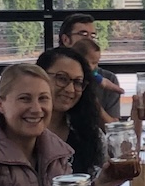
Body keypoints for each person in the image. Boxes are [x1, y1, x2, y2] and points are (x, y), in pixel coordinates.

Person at [36, 43, 106, 177]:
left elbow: (99, 185)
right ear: (40, 75)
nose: (70, 89)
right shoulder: (20, 130)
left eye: (77, 82)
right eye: (62, 78)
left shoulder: (88, 133)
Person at [57, 14, 121, 118]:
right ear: (66, 40)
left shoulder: (109, 78)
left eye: (93, 36)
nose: (89, 40)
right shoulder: (50, 74)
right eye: (84, 34)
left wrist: (93, 103)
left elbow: (112, 129)